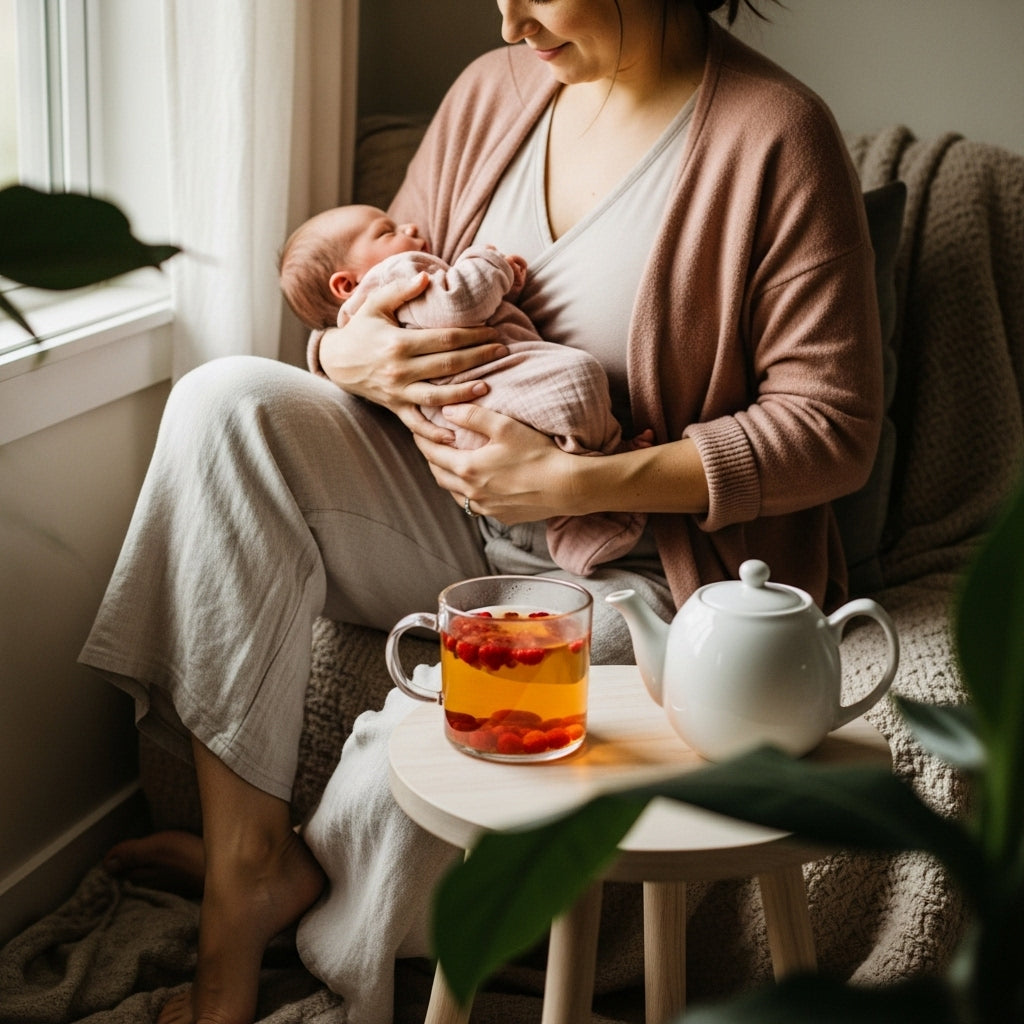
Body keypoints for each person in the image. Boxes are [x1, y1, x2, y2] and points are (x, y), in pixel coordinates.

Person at [81, 1, 884, 1022]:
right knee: (220, 403)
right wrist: (341, 353)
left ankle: (318, 887)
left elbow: (831, 426)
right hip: (440, 503)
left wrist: (577, 485)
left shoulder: (773, 136)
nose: (508, 24)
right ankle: (246, 871)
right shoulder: (490, 95)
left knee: (422, 776)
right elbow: (373, 298)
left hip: (626, 571)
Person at [279, 202, 650, 576]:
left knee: (571, 393)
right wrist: (488, 263)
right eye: (386, 231)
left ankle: (589, 489)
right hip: (485, 399)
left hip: (470, 422)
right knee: (576, 380)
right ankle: (599, 491)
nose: (409, 226)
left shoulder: (375, 306)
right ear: (347, 283)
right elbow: (459, 302)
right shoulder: (395, 275)